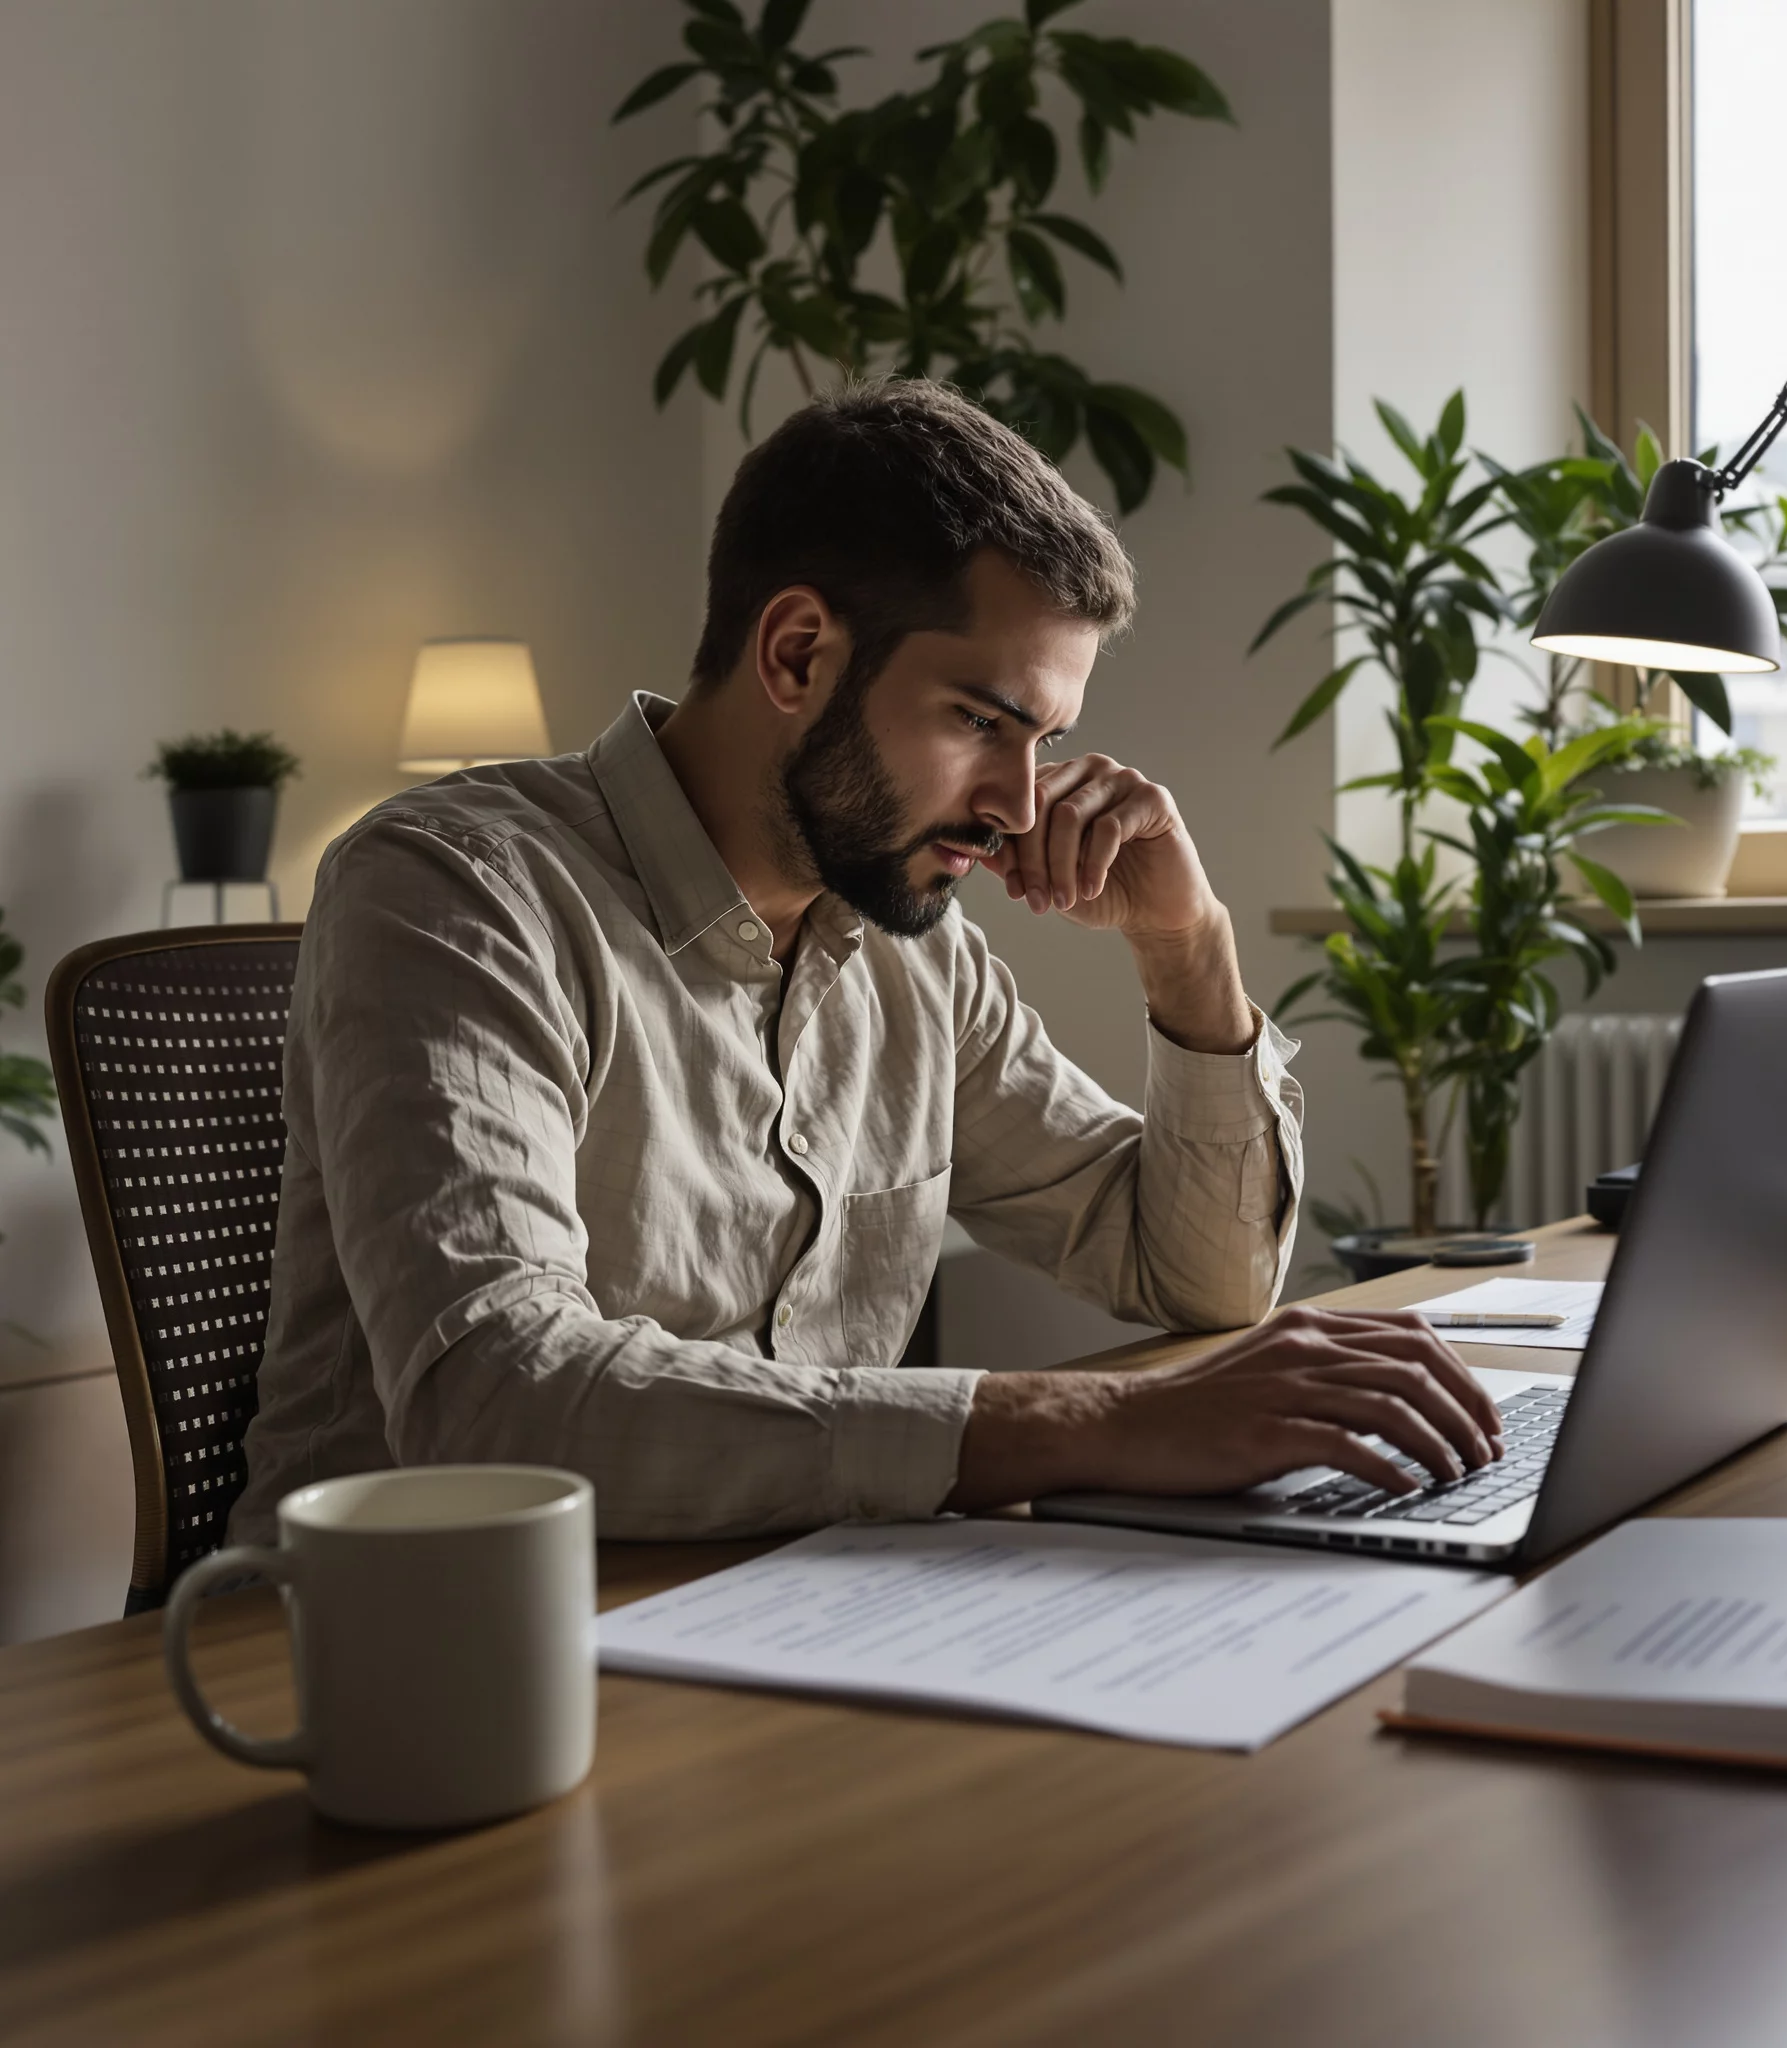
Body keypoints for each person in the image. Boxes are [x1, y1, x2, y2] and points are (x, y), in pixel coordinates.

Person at [232, 380, 1500, 1544]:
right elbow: (498, 1399)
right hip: (399, 1664)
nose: (1016, 802)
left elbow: (1194, 1275)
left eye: (1045, 738)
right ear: (795, 653)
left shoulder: (908, 954)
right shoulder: (455, 890)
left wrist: (1188, 948)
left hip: (788, 1617)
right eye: (978, 721)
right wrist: (1095, 1423)